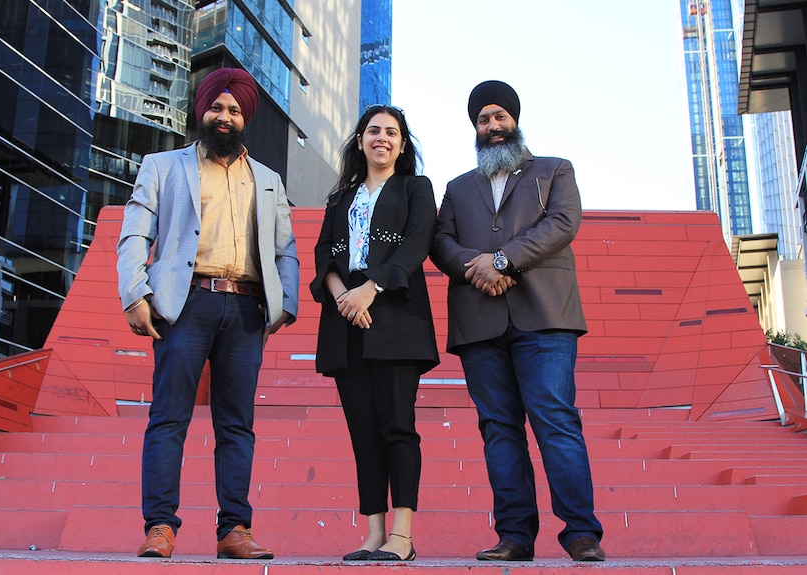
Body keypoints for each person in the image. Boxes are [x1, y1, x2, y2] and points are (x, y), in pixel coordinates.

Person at [116, 67, 299, 560]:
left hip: (245, 308)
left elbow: (286, 247)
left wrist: (287, 304)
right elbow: (135, 233)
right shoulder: (162, 165)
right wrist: (134, 293)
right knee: (168, 418)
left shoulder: (268, 180)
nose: (224, 116)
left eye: (234, 110)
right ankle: (159, 527)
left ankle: (234, 530)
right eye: (216, 108)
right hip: (184, 304)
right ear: (202, 111)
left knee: (236, 424)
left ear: (246, 118)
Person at [430, 80, 605, 562]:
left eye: (499, 117)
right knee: (498, 428)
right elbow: (441, 242)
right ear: (475, 129)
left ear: (515, 121)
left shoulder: (554, 170)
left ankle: (581, 533)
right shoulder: (457, 187)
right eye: (483, 120)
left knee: (555, 420)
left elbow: (563, 223)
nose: (492, 127)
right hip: (479, 323)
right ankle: (514, 536)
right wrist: (479, 267)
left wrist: (502, 261)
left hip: (545, 318)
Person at [310, 105, 439, 562]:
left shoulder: (415, 188)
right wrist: (345, 296)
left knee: (397, 427)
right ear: (360, 140)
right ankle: (373, 533)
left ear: (402, 144)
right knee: (363, 432)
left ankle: (401, 536)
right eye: (373, 131)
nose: (382, 138)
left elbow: (417, 243)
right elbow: (323, 251)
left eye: (392, 132)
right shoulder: (339, 198)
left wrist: (370, 289)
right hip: (345, 324)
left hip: (397, 322)